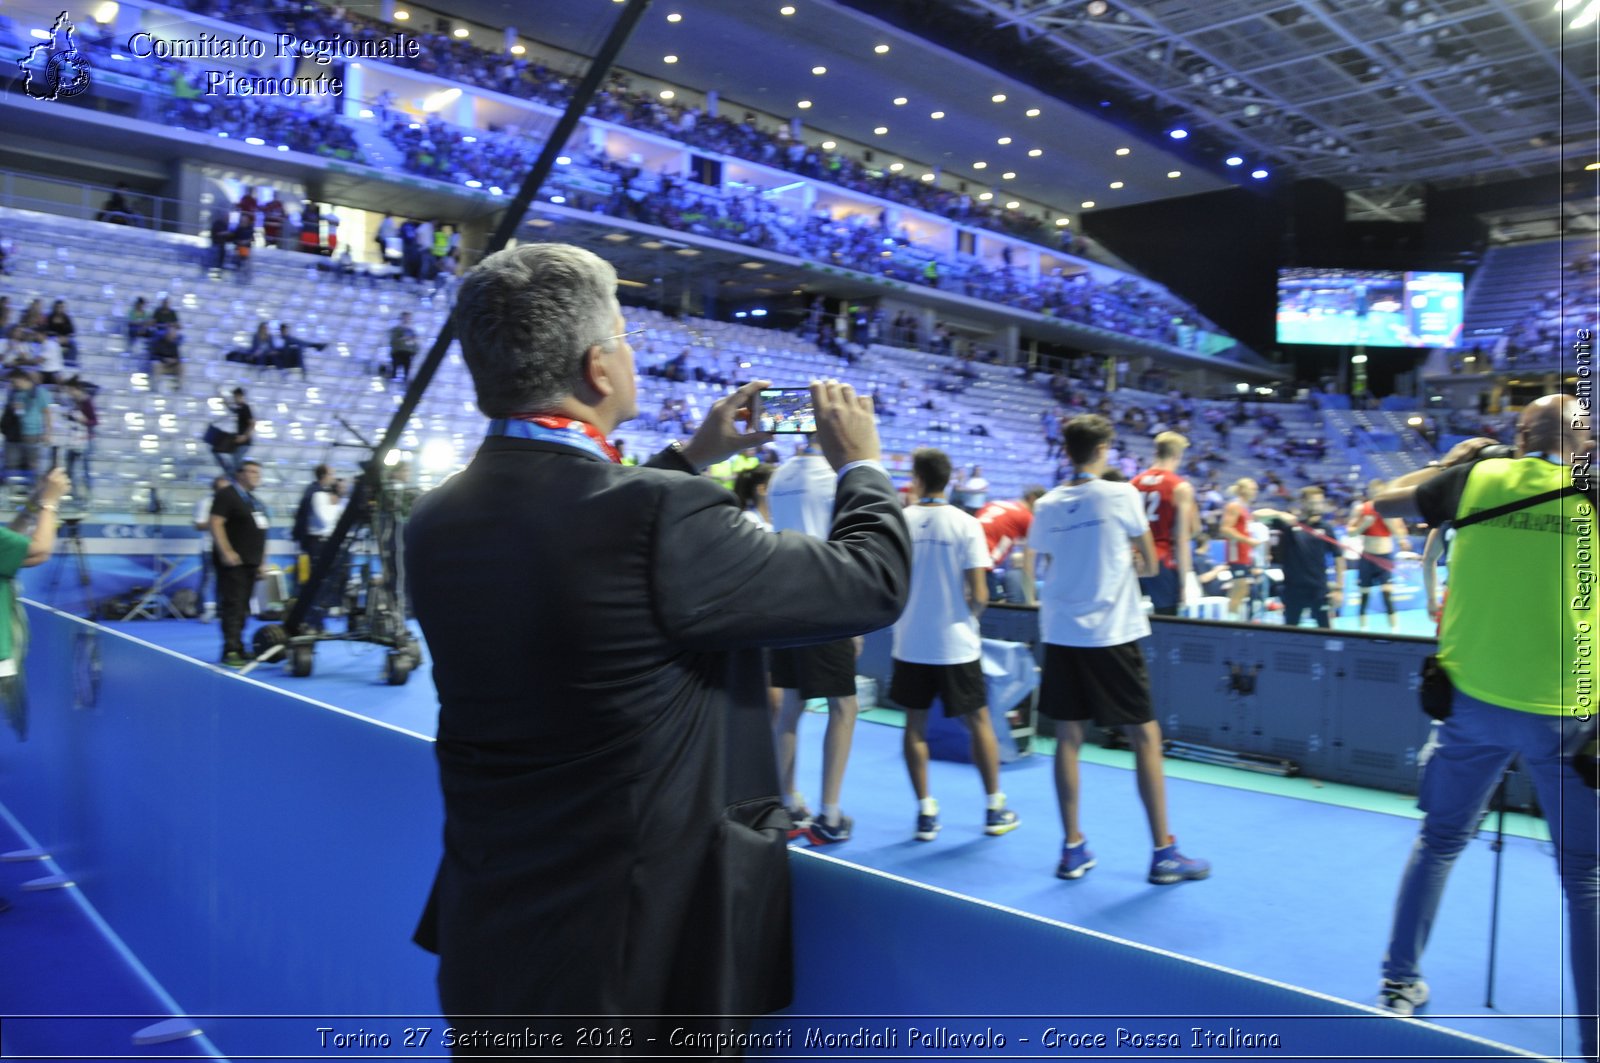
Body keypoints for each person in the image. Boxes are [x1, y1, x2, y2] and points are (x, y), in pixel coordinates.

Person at [404, 243, 910, 1044]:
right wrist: (864, 467)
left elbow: (582, 544)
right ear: (599, 368)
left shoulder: (434, 519)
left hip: (490, 928)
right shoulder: (657, 515)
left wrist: (689, 458)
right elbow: (869, 581)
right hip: (635, 959)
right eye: (627, 339)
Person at [1372, 397, 1597, 1061]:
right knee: (1584, 877)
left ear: (1517, 436)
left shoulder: (1475, 479)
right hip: (1567, 717)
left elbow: (1385, 502)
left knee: (1440, 839)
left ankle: (1398, 980)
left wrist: (1454, 461)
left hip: (1471, 705)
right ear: (1582, 444)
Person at [1033, 414, 1209, 885]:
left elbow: (1046, 561)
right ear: (1104, 448)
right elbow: (1150, 564)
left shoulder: (1048, 504)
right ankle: (1163, 853)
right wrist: (1127, 558)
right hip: (1111, 633)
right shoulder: (1120, 494)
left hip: (1062, 632)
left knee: (1068, 739)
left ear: (1066, 451)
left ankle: (1072, 849)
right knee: (1144, 737)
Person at [891, 448, 1020, 842]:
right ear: (950, 480)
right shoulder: (967, 525)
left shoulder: (899, 522)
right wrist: (966, 618)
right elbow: (979, 594)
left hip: (910, 642)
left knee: (914, 727)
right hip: (956, 645)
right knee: (979, 723)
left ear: (917, 478)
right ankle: (995, 807)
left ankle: (926, 813)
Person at [768, 438, 868, 845]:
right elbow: (847, 548)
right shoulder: (836, 479)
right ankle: (829, 814)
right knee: (844, 706)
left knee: (791, 705)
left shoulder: (778, 477)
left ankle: (788, 804)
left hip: (782, 600)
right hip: (826, 601)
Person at [1252, 486, 1345, 628]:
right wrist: (1279, 514)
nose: (1317, 506)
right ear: (1303, 502)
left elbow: (1338, 558)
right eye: (1313, 503)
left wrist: (1339, 589)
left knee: (1326, 630)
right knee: (1291, 631)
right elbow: (1257, 515)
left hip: (1318, 589)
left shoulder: (1326, 528)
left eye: (1319, 503)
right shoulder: (1289, 524)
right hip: (1293, 589)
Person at [209, 460, 268, 667]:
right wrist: (226, 551)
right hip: (234, 562)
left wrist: (262, 562)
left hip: (251, 562)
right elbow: (215, 522)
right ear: (239, 474)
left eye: (258, 472)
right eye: (251, 471)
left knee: (243, 607)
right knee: (233, 606)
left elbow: (262, 533)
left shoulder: (254, 502)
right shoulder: (227, 495)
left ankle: (239, 646)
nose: (256, 475)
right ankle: (230, 650)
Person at [1133, 431, 1197, 617]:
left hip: (1134, 560)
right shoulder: (1180, 487)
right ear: (1177, 455)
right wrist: (1185, 582)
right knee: (1167, 622)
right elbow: (1181, 537)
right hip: (1162, 561)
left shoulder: (1133, 483)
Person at [1347, 478, 1412, 631]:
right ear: (1369, 493)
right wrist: (1364, 525)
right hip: (1367, 557)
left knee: (1387, 596)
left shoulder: (1391, 510)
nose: (1376, 496)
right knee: (1364, 597)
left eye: (1379, 493)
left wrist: (1394, 529)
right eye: (1373, 493)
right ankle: (1362, 630)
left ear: (1384, 493)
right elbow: (1350, 533)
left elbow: (1402, 533)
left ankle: (1395, 630)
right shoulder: (1362, 509)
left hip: (1385, 556)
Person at [975, 487, 1045, 604]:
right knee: (992, 609)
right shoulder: (1027, 517)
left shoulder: (993, 504)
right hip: (981, 562)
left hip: (963, 555)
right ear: (1033, 499)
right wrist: (1030, 600)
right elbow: (1028, 562)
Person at [1219, 477, 1263, 620]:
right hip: (1236, 554)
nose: (1255, 491)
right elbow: (1225, 529)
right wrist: (1247, 540)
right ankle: (1230, 623)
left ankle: (1233, 619)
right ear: (1243, 490)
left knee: (1242, 590)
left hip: (1243, 554)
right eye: (1252, 488)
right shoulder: (1234, 506)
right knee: (1239, 590)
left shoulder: (1244, 509)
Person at [193, 475, 228, 622]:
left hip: (226, 547)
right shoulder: (206, 503)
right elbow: (199, 525)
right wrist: (216, 522)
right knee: (207, 579)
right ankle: (201, 609)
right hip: (209, 547)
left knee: (224, 580)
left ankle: (221, 610)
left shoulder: (231, 503)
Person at [212, 388, 254, 475]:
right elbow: (231, 409)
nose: (234, 399)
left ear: (240, 396)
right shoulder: (240, 408)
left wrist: (244, 436)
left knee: (236, 460)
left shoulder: (245, 408)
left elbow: (252, 423)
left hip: (244, 442)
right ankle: (232, 474)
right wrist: (222, 398)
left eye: (235, 397)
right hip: (237, 441)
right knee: (227, 455)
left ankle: (237, 477)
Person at [388, 311, 418, 382]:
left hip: (408, 352)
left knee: (406, 371)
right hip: (398, 351)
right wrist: (403, 339)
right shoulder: (396, 329)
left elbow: (414, 342)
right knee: (395, 370)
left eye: (408, 318)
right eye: (405, 317)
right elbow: (393, 341)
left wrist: (414, 350)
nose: (407, 319)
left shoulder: (411, 331)